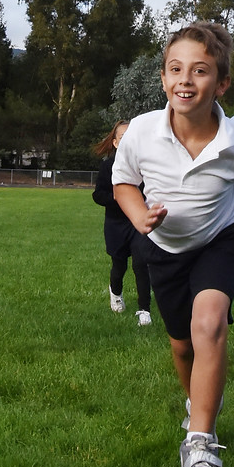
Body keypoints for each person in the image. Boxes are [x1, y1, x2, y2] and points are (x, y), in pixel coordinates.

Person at [112, 22, 234, 467]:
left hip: (220, 241)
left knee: (210, 324)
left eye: (200, 71)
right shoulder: (140, 132)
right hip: (164, 249)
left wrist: (231, 209)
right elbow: (123, 182)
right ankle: (195, 403)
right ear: (162, 79)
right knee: (182, 346)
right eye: (175, 69)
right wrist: (139, 217)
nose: (185, 80)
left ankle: (200, 444)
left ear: (221, 84)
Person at [92, 120, 152, 326]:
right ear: (116, 143)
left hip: (138, 222)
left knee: (141, 264)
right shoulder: (108, 166)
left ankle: (144, 309)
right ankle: (116, 294)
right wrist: (120, 199)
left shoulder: (147, 165)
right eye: (123, 137)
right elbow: (98, 195)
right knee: (119, 266)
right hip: (116, 224)